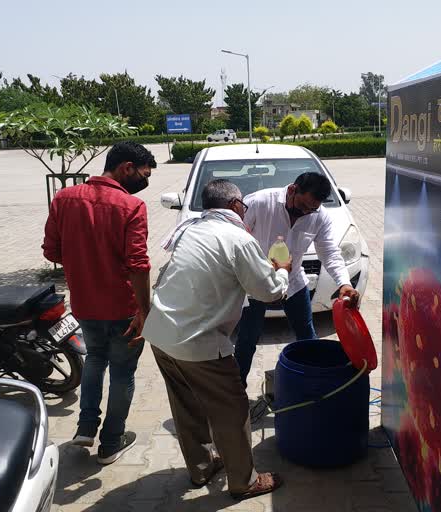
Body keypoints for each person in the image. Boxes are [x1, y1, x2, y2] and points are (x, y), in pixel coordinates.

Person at [143, 179, 289, 501]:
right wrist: (282, 271)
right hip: (198, 343)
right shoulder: (238, 238)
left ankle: (201, 467)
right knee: (232, 410)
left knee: (186, 406)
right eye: (244, 207)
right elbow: (267, 291)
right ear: (236, 206)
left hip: (161, 335)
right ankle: (244, 481)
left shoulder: (188, 231)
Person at [42, 141, 156, 465]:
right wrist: (144, 311)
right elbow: (139, 264)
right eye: (143, 176)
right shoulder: (132, 206)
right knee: (122, 372)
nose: (143, 184)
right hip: (124, 311)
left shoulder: (64, 198)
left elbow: (51, 250)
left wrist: (82, 259)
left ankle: (86, 427)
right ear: (126, 168)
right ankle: (111, 442)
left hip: (85, 305)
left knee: (94, 359)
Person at [234, 171, 360, 386]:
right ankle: (235, 392)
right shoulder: (259, 202)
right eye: (302, 206)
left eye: (312, 209)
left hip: (293, 282)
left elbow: (329, 252)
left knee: (307, 337)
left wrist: (344, 283)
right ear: (292, 190)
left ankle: (312, 386)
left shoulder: (319, 216)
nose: (305, 214)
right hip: (255, 283)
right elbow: (234, 237)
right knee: (247, 340)